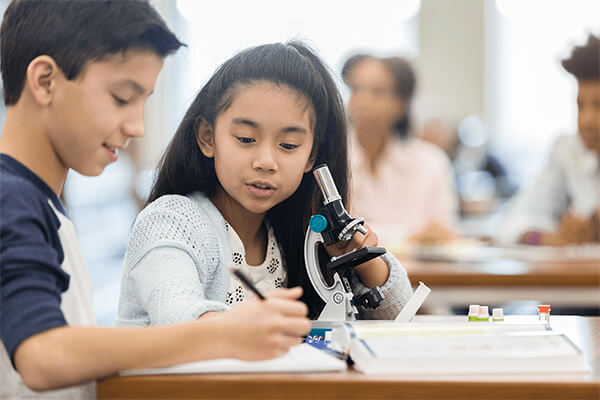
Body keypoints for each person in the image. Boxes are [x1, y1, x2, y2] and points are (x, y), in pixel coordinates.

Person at [0, 2, 309, 398]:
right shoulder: (13, 199)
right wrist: (221, 333)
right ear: (44, 81)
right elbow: (43, 355)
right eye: (121, 97)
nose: (137, 126)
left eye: (143, 101)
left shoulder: (38, 202)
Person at [117, 42, 413, 325]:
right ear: (207, 137)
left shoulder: (295, 232)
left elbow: (401, 314)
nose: (266, 161)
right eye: (246, 139)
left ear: (312, 156)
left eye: (288, 145)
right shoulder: (171, 221)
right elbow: (176, 316)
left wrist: (362, 260)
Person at [342, 54, 458, 245]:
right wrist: (409, 237)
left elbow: (442, 233)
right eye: (355, 89)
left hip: (421, 273)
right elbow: (339, 235)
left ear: (402, 103)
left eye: (378, 92)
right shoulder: (331, 160)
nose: (361, 101)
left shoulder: (431, 162)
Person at [498, 34, 600, 246]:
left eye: (598, 106)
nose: (586, 121)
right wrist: (550, 238)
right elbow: (512, 222)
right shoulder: (568, 150)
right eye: (580, 105)